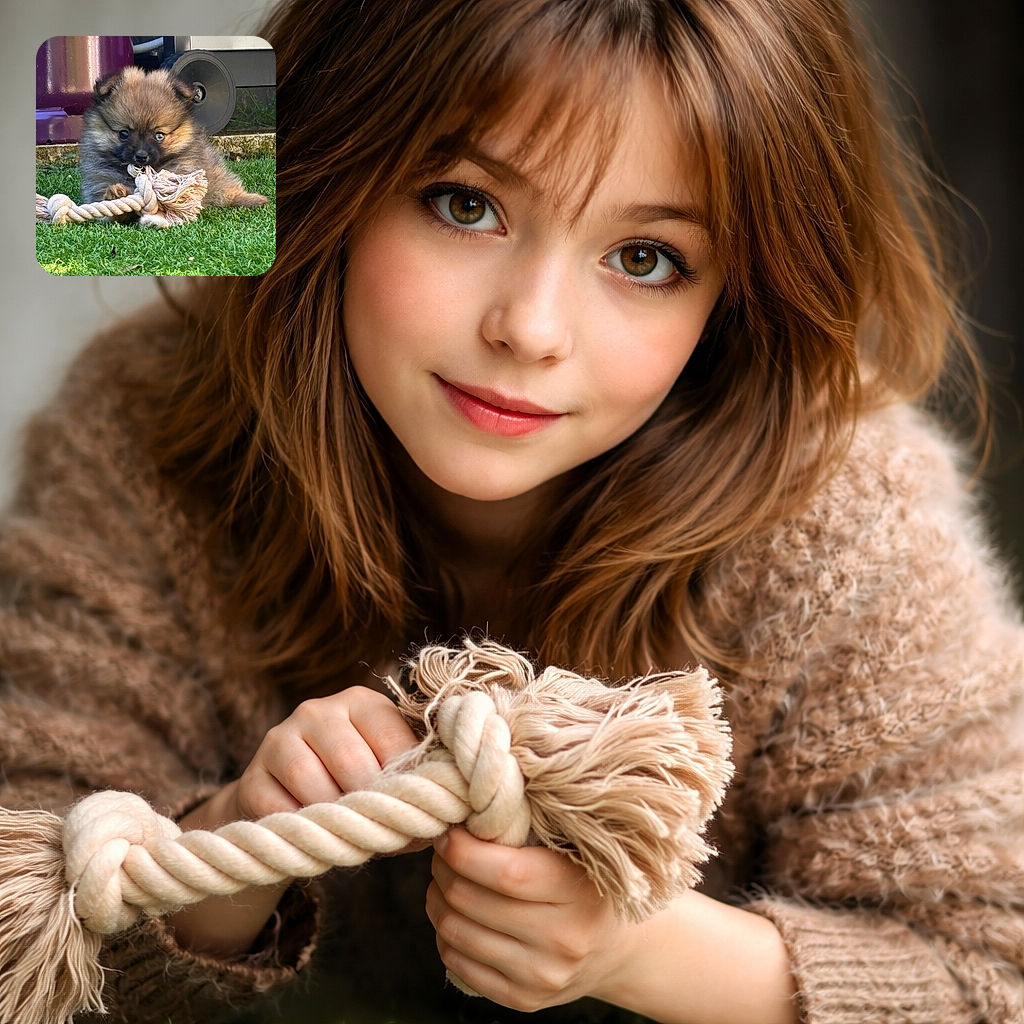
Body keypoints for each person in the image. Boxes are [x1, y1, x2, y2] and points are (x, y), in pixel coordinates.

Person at [2, 0, 1022, 1021]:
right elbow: (25, 909)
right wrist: (233, 844)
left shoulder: (843, 512)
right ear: (326, 177)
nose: (530, 328)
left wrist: (651, 950)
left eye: (645, 259)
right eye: (461, 202)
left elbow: (989, 973)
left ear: (739, 301)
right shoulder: (143, 423)